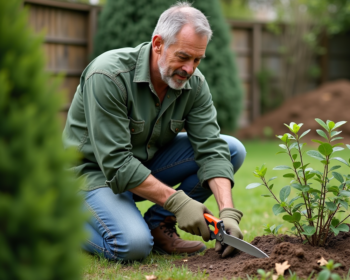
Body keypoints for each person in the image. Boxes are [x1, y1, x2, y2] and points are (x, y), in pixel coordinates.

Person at [62, 2, 246, 261]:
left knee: (231, 149)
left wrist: (228, 212)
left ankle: (159, 226)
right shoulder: (107, 75)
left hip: (142, 166)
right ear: (158, 44)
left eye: (197, 59)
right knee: (132, 246)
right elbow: (116, 163)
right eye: (183, 57)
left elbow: (212, 149)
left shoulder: (194, 83)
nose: (190, 69)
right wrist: (178, 202)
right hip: (92, 174)